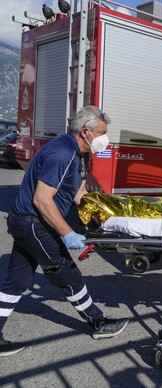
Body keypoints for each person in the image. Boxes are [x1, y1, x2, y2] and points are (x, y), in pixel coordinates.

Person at [0, 106, 129, 357]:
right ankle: (98, 322)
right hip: (33, 223)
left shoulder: (75, 152)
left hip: (28, 223)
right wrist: (68, 233)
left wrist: (102, 216)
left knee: (16, 281)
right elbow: (42, 200)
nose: (105, 138)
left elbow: (78, 193)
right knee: (67, 273)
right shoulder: (62, 154)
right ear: (85, 132)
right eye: (102, 132)